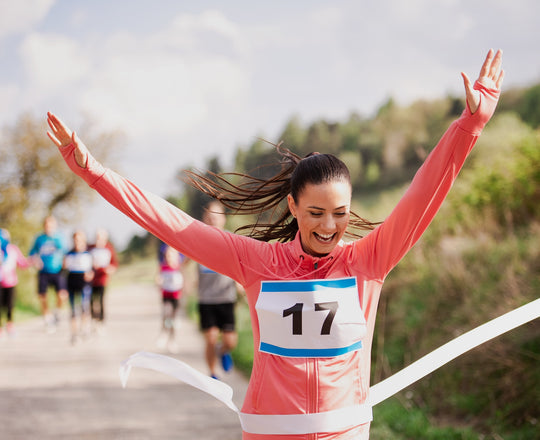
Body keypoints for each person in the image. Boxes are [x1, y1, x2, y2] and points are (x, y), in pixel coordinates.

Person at [47, 50, 503, 439]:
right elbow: (168, 222)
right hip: (270, 432)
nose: (329, 226)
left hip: (343, 430)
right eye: (316, 213)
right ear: (293, 206)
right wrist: (93, 171)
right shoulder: (256, 262)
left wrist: (469, 125)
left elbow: (424, 193)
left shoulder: (369, 261)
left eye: (341, 214)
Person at [195, 200, 239, 379]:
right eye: (209, 216)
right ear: (205, 219)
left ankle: (224, 350)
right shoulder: (198, 240)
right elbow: (184, 259)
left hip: (226, 297)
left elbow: (239, 265)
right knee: (211, 338)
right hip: (206, 299)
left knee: (230, 341)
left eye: (216, 216)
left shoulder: (231, 241)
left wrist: (241, 284)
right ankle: (213, 373)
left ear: (224, 219)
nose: (212, 219)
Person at [29, 215, 68, 332]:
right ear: (44, 226)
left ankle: (57, 311)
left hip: (57, 270)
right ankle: (48, 318)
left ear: (54, 226)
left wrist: (65, 264)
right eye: (46, 225)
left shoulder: (59, 238)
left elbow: (66, 253)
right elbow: (32, 253)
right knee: (42, 296)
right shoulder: (39, 239)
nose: (48, 227)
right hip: (43, 271)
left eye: (51, 225)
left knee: (62, 295)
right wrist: (35, 261)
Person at [64, 230, 94, 344]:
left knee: (84, 307)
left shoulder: (88, 254)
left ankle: (84, 328)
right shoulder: (69, 254)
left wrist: (91, 273)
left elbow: (93, 269)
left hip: (84, 284)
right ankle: (74, 333)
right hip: (71, 282)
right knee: (72, 310)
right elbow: (63, 271)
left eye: (80, 239)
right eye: (75, 239)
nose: (77, 242)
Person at [0, 229, 30, 338]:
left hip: (11, 282)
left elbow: (22, 263)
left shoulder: (13, 249)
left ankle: (10, 325)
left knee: (9, 305)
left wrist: (31, 261)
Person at [155, 244, 184, 353]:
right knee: (166, 314)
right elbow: (158, 278)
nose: (169, 257)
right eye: (167, 255)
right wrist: (158, 282)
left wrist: (185, 290)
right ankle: (163, 334)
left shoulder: (179, 267)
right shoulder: (163, 267)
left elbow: (183, 280)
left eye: (171, 255)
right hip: (166, 295)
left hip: (176, 296)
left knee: (173, 319)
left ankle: (172, 340)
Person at [88, 227, 118, 332]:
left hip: (102, 279)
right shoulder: (90, 248)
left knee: (100, 300)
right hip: (91, 279)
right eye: (97, 237)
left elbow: (114, 264)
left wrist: (109, 270)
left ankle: (101, 321)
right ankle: (93, 319)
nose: (99, 239)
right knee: (91, 301)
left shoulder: (109, 248)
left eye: (101, 237)